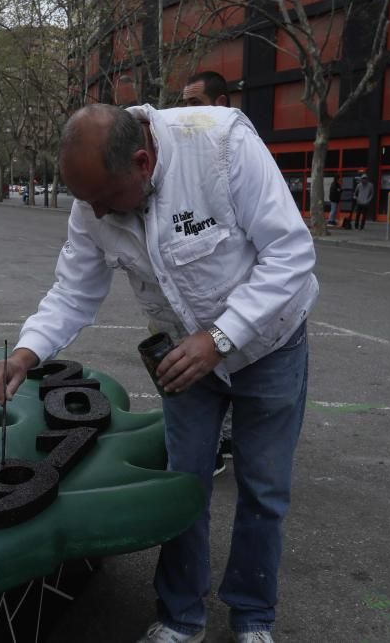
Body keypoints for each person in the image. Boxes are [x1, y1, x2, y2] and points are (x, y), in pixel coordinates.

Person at [0, 104, 317, 643]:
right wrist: (26, 353)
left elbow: (290, 252)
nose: (95, 212)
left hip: (269, 344)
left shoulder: (221, 143)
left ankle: (253, 616)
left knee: (264, 489)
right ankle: (181, 616)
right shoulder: (93, 201)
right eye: (85, 201)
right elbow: (74, 290)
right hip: (184, 357)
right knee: (182, 487)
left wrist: (222, 337)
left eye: (104, 200)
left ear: (142, 161)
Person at [182, 71, 234, 478]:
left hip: (239, 306)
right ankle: (212, 445)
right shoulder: (182, 152)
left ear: (221, 104)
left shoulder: (239, 148)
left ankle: (229, 438)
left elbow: (286, 253)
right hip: (190, 309)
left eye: (195, 103)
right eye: (183, 103)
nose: (186, 112)